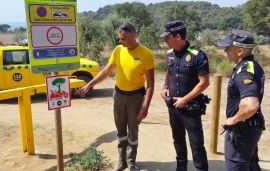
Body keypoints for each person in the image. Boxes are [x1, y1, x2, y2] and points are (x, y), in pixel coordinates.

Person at [78, 23, 155, 171]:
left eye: (123, 39)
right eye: (119, 39)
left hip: (136, 98)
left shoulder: (146, 54)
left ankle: (131, 162)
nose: (120, 42)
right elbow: (106, 72)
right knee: (120, 130)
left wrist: (145, 107)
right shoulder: (119, 50)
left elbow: (151, 84)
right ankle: (121, 161)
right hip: (119, 96)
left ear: (133, 35)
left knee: (133, 131)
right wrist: (89, 85)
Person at [160, 20, 209, 171]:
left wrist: (185, 99)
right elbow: (169, 72)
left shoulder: (197, 55)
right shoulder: (169, 55)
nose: (164, 40)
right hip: (173, 106)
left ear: (178, 36)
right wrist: (165, 87)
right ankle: (181, 168)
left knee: (196, 144)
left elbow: (204, 82)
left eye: (167, 37)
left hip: (190, 108)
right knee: (178, 140)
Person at [217, 29, 265, 171]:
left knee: (236, 166)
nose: (225, 50)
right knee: (250, 166)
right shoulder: (252, 65)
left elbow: (251, 104)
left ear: (240, 51)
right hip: (250, 127)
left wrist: (234, 119)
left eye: (228, 47)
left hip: (242, 130)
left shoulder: (244, 71)